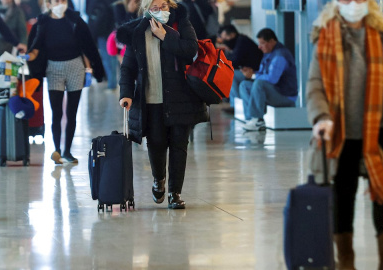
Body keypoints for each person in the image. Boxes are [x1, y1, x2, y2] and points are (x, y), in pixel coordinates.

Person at [306, 1, 383, 269]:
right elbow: (315, 83)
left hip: (380, 127)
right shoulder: (326, 36)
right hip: (343, 131)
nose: (354, 4)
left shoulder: (381, 34)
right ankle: (346, 261)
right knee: (343, 194)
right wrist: (321, 117)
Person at [117, 0, 208, 209]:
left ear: (171, 7)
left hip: (181, 97)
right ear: (146, 10)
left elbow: (191, 49)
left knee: (179, 146)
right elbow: (128, 68)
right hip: (151, 99)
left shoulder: (181, 24)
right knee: (156, 144)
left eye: (164, 6)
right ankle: (159, 179)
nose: (160, 11)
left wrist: (166, 37)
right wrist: (126, 94)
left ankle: (175, 193)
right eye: (154, 8)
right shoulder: (137, 32)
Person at [26, 0, 104, 164]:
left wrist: (93, 70)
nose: (60, 3)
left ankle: (67, 151)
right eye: (56, 1)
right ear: (48, 4)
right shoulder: (42, 23)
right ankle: (57, 150)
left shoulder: (75, 20)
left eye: (62, 0)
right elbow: (35, 46)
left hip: (75, 66)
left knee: (72, 112)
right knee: (56, 113)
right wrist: (26, 57)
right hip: (53, 68)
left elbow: (88, 45)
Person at [239, 28, 297, 131]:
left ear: (271, 41)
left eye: (262, 43)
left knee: (259, 83)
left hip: (285, 96)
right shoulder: (269, 54)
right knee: (244, 85)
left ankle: (258, 120)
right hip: (274, 92)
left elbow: (272, 79)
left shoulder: (280, 55)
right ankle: (252, 118)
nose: (259, 47)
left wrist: (253, 76)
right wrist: (253, 73)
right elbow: (263, 74)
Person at [218, 24, 262, 114]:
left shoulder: (242, 41)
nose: (225, 41)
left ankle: (236, 106)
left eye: (226, 37)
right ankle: (235, 105)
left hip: (255, 72)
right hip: (248, 71)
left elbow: (234, 61)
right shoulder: (239, 41)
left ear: (232, 34)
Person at [87, 0, 118, 90]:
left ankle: (112, 84)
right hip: (109, 30)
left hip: (103, 31)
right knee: (111, 58)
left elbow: (89, 11)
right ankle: (112, 83)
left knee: (108, 59)